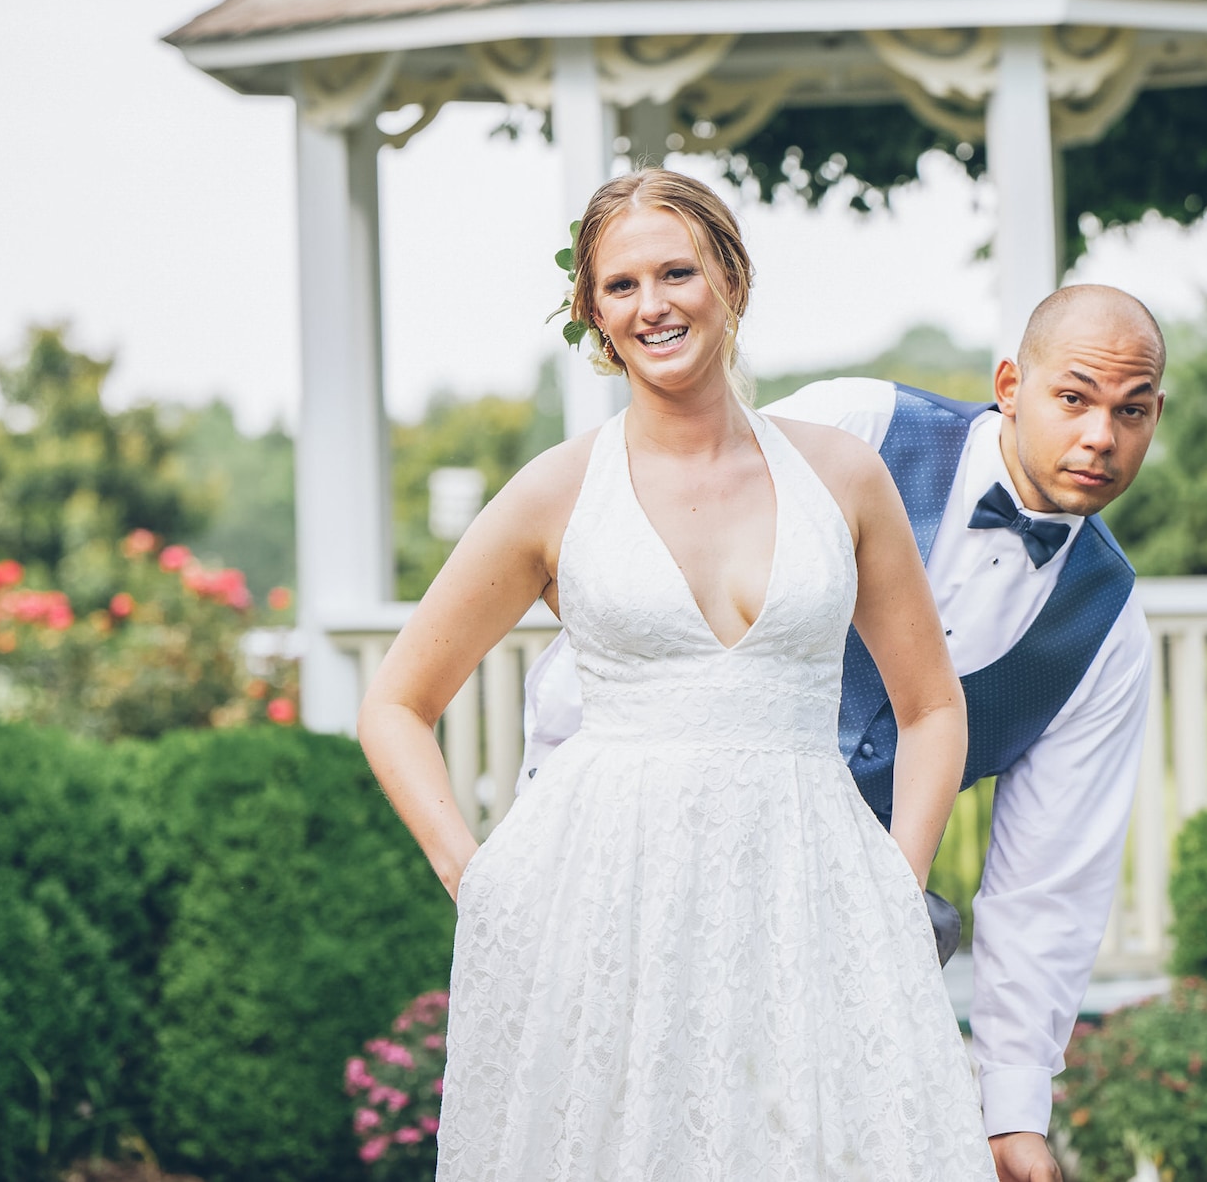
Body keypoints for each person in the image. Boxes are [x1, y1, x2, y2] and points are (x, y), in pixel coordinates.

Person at [355, 169, 998, 1180]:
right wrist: (475, 880)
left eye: (675, 272)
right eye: (619, 287)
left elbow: (931, 709)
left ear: (730, 280)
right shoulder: (554, 491)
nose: (651, 305)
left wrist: (893, 879)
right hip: (602, 899)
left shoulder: (842, 475)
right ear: (594, 317)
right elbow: (396, 703)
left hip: (807, 888)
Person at [524, 282, 1166, 1182]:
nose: (1101, 434)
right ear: (1011, 383)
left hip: (846, 961)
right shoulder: (856, 426)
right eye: (1075, 397)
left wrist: (1012, 1110)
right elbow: (645, 598)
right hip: (657, 881)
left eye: (1130, 411)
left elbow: (1047, 888)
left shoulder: (1108, 630)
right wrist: (550, 828)